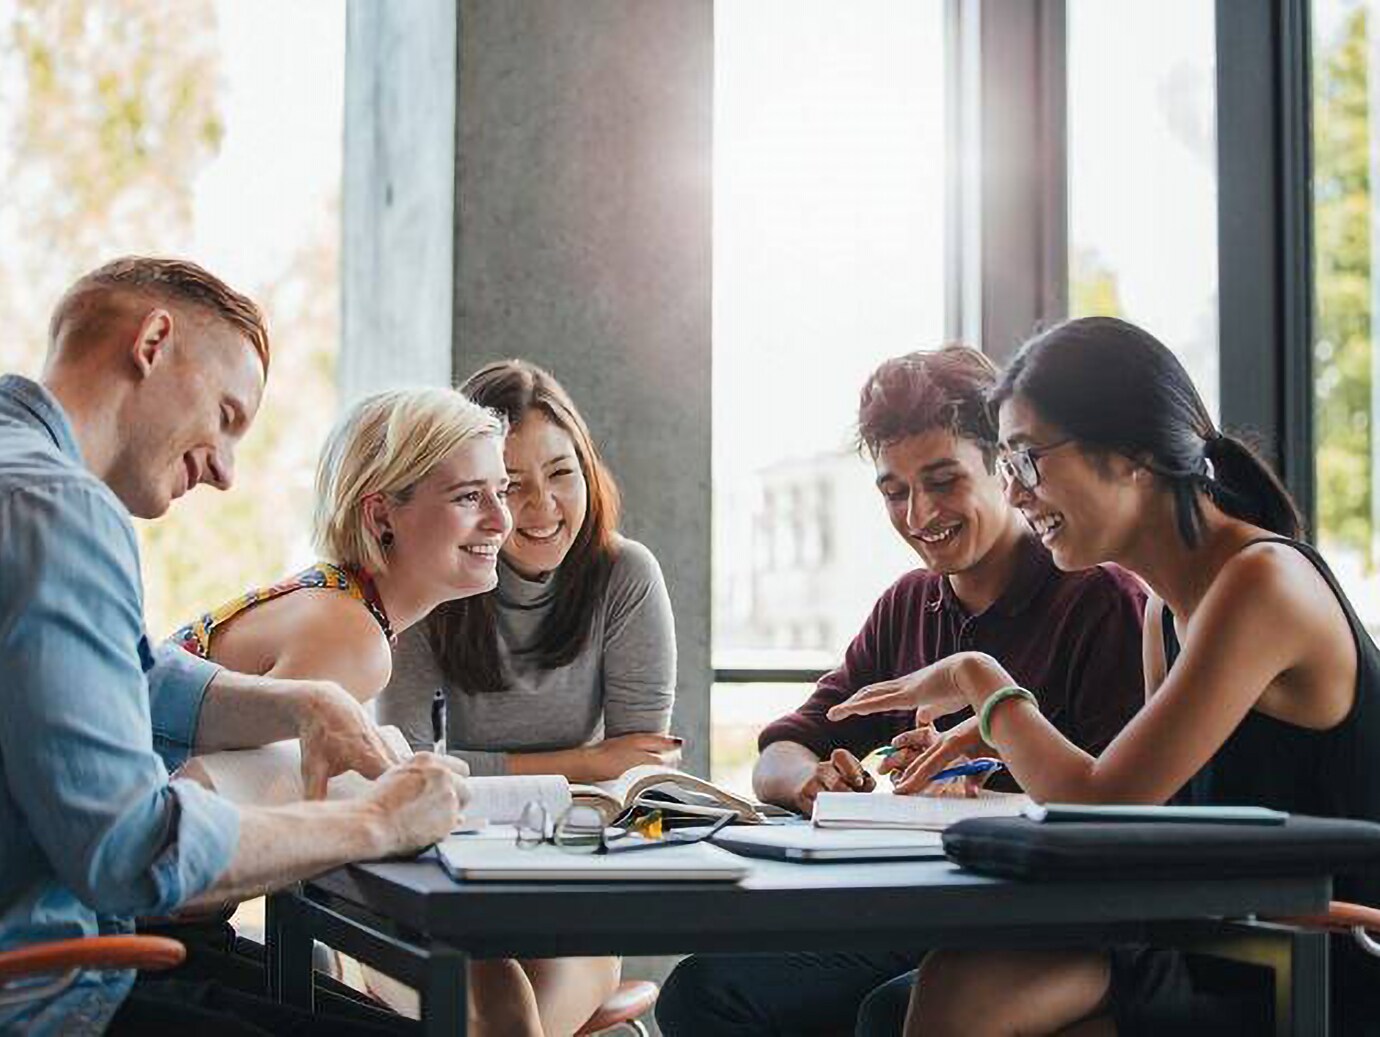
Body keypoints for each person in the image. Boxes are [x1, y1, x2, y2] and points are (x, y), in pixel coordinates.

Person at [829, 316, 1380, 1036]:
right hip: (1231, 934)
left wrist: (981, 680)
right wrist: (998, 738)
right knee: (933, 990)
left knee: (960, 994)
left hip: (1325, 953)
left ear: (1130, 455)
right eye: (1008, 466)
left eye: (1027, 460)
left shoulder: (1260, 583)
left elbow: (1104, 798)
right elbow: (1136, 820)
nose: (1018, 493)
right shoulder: (1164, 610)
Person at [0, 257, 467, 1037]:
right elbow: (132, 849)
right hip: (48, 991)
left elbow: (120, 673)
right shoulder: (60, 509)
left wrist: (303, 701)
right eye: (226, 414)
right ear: (153, 341)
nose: (222, 469)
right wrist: (379, 820)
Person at [656, 345, 1148, 1037]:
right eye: (894, 490)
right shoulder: (909, 604)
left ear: (1005, 469)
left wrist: (983, 802)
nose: (919, 513)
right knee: (702, 992)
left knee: (890, 1012)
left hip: (1058, 928)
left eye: (943, 481)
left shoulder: (1098, 598)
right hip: (928, 918)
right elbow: (781, 750)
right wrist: (812, 779)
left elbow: (1120, 813)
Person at [376, 359, 678, 1033]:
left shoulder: (625, 576)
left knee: (512, 1026)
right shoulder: (426, 582)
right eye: (511, 485)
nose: (542, 507)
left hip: (569, 888)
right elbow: (406, 778)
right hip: (437, 886)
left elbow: (636, 781)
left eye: (561, 473)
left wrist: (583, 769)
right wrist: (585, 761)